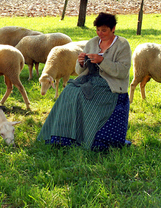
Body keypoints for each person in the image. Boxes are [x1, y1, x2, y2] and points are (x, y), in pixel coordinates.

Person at [37, 12, 132, 150]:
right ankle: (61, 136)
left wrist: (102, 61)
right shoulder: (93, 42)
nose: (100, 33)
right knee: (69, 92)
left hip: (110, 85)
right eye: (98, 30)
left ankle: (88, 138)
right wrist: (81, 63)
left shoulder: (122, 45)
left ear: (113, 29)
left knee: (83, 95)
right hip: (90, 79)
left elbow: (123, 71)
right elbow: (80, 71)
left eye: (104, 30)